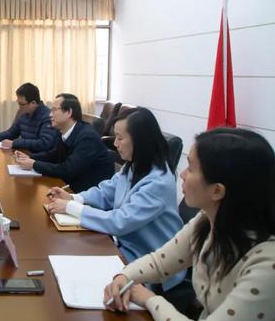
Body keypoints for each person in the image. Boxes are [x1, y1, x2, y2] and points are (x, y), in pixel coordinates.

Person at [104, 128, 275, 321]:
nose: (183, 175)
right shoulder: (206, 220)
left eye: (191, 168)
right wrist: (123, 277)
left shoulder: (267, 265)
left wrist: (150, 299)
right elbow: (159, 263)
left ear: (217, 190)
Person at [47, 107, 186, 291]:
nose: (115, 144)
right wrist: (74, 197)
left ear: (140, 141)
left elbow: (121, 221)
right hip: (125, 247)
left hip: (150, 263)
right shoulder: (134, 165)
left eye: (120, 138)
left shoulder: (159, 181)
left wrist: (71, 207)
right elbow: (106, 192)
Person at [15, 93, 114, 192]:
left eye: (54, 110)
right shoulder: (63, 130)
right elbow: (54, 154)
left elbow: (67, 170)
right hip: (72, 184)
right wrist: (30, 157)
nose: (50, 115)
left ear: (68, 112)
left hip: (89, 192)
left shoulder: (87, 137)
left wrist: (34, 164)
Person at [0, 82, 58, 153]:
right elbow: (11, 133)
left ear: (33, 103)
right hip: (23, 154)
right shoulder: (23, 113)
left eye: (21, 104)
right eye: (18, 103)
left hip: (37, 157)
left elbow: (44, 143)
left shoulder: (47, 116)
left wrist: (14, 143)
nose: (19, 107)